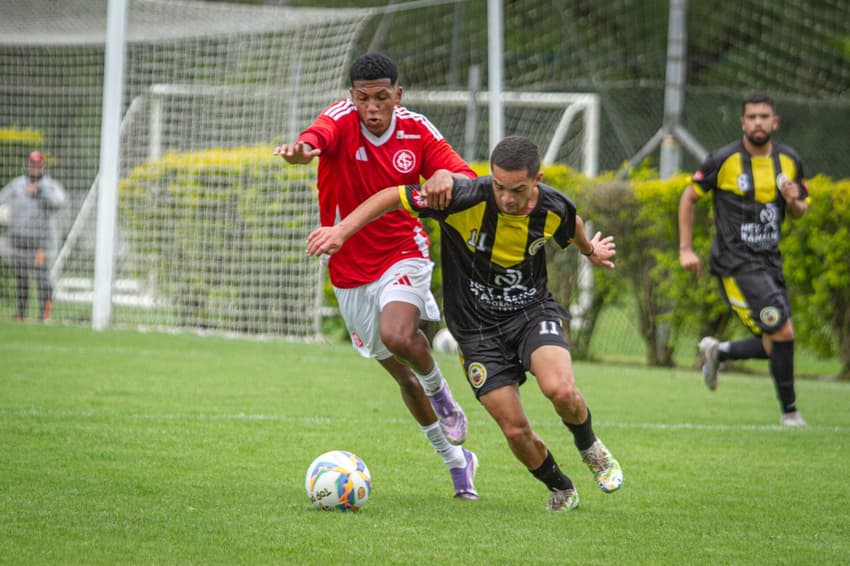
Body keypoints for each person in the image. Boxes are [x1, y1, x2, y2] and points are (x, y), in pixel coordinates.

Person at [306, 135, 624, 512]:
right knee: (514, 429)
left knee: (560, 390)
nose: (506, 197)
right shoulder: (463, 197)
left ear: (537, 179)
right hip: (476, 332)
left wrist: (591, 251)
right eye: (500, 186)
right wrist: (341, 231)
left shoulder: (555, 207)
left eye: (518, 189)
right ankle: (560, 486)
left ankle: (591, 448)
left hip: (530, 311)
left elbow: (573, 225)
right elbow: (392, 195)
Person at [273, 53, 480, 499]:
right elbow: (314, 140)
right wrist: (300, 153)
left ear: (397, 95)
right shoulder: (340, 119)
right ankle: (457, 462)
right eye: (363, 98)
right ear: (352, 96)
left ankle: (444, 396)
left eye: (382, 97)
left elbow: (462, 174)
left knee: (401, 334)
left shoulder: (417, 128)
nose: (371, 107)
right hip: (349, 268)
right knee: (402, 378)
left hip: (403, 251)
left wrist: (443, 172)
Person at [678, 92, 810, 427]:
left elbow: (799, 212)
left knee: (775, 340)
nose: (757, 122)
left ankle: (718, 352)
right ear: (742, 122)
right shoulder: (724, 160)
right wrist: (685, 248)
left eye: (764, 116)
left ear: (774, 122)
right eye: (751, 117)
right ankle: (790, 413)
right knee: (782, 332)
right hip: (735, 264)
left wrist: (794, 201)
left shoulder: (790, 161)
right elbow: (688, 197)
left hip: (770, 263)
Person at [0, 151, 66, 322]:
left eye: (37, 164)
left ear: (42, 166)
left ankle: (44, 315)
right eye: (31, 164)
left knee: (42, 279)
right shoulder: (17, 185)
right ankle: (20, 313)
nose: (34, 167)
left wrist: (39, 192)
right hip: (18, 241)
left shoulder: (49, 185)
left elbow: (59, 202)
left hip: (40, 244)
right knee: (21, 279)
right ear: (27, 165)